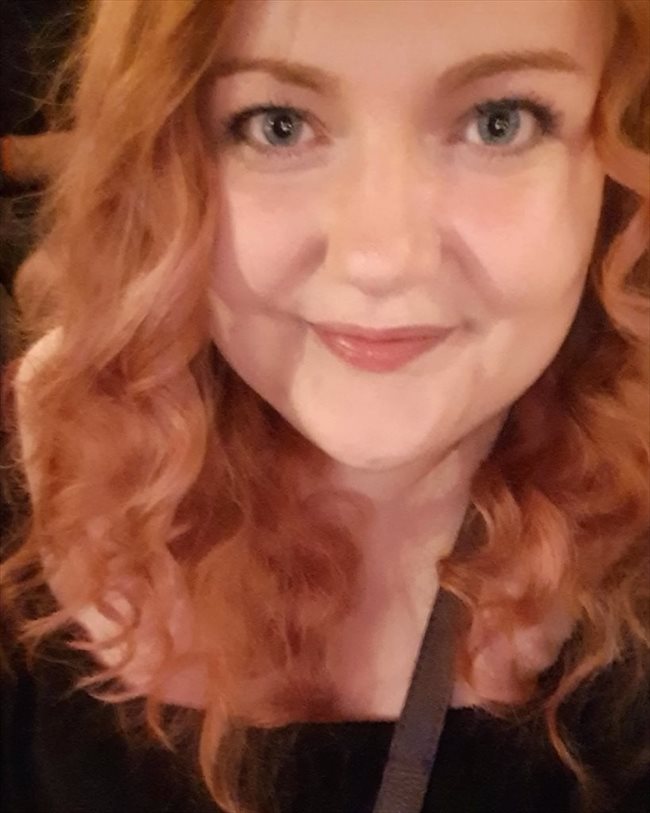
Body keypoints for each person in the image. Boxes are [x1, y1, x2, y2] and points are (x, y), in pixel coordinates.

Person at [1, 1, 648, 812]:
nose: (382, 258)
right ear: (161, 162)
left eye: (499, 121)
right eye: (276, 125)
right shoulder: (40, 448)